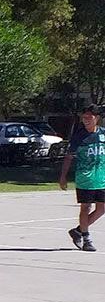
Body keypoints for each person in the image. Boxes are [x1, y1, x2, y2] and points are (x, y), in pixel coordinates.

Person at [59, 105, 105, 252]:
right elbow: (68, 157)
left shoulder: (103, 134)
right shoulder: (79, 136)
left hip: (101, 178)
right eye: (83, 118)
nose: (85, 120)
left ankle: (78, 230)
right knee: (86, 207)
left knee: (102, 208)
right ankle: (86, 238)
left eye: (88, 117)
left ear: (96, 118)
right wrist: (63, 176)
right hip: (85, 178)